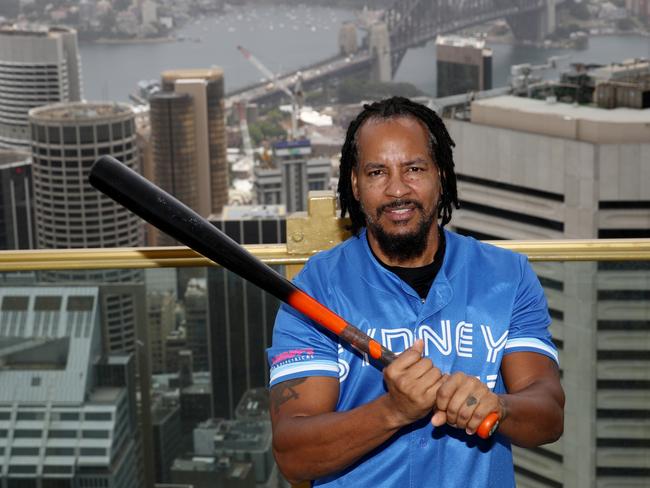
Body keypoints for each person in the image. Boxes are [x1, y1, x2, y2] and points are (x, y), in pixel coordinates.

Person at [266, 97, 564, 487]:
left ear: (440, 175)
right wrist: (393, 410)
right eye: (377, 172)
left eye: (414, 169)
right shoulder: (314, 291)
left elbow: (549, 414)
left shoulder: (507, 276)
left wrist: (500, 407)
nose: (396, 189)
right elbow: (293, 455)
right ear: (355, 185)